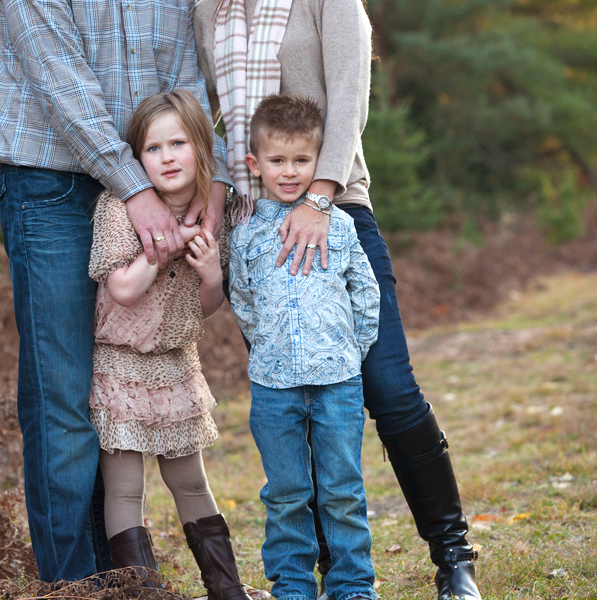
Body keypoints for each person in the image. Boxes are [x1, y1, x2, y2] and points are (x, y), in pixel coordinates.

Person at [192, 1, 482, 598]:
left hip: (336, 215)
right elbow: (218, 118)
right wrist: (219, 201)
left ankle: (453, 554)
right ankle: (330, 576)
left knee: (390, 390)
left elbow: (350, 92)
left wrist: (320, 198)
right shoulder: (209, 7)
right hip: (258, 231)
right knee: (301, 412)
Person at [0, 0, 234, 583]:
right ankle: (76, 586)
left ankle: (121, 581)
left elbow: (187, 75)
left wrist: (209, 176)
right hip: (51, 182)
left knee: (116, 386)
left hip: (154, 183)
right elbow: (56, 76)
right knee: (64, 398)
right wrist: (132, 186)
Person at [89, 89, 252, 600]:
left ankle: (227, 589)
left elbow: (204, 307)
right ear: (137, 159)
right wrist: (165, 249)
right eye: (153, 149)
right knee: (125, 488)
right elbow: (120, 287)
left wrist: (210, 275)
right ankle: (144, 591)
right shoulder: (120, 208)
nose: (167, 157)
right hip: (119, 365)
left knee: (190, 482)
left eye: (177, 143)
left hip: (176, 366)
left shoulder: (212, 212)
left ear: (202, 149)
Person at [229, 93, 380, 600]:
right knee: (287, 493)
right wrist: (267, 348)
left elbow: (366, 292)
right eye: (277, 160)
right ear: (256, 164)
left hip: (337, 382)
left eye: (301, 160)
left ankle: (353, 585)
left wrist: (348, 353)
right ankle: (292, 586)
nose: (289, 171)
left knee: (341, 491)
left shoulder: (339, 226)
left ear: (320, 162)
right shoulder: (246, 234)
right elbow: (243, 301)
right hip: (274, 388)